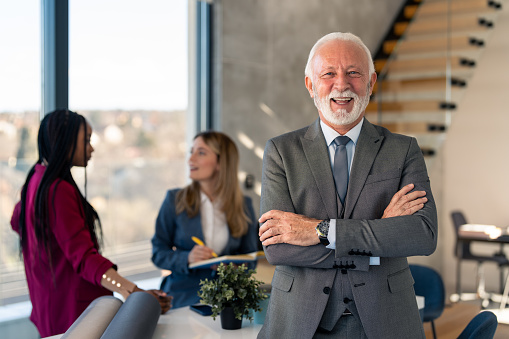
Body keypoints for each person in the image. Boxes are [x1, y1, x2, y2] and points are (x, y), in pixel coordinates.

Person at [257, 32, 438, 338]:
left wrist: (319, 231)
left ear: (370, 82)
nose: (341, 84)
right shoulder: (280, 151)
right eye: (328, 73)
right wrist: (380, 234)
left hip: (386, 321)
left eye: (354, 73)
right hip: (300, 323)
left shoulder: (403, 149)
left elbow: (422, 235)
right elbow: (278, 250)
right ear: (310, 85)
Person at [10, 109, 171, 338]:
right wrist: (135, 294)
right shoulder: (58, 189)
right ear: (64, 142)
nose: (91, 148)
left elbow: (17, 222)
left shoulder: (36, 178)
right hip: (74, 312)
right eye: (85, 141)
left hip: (47, 304)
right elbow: (85, 258)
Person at [151, 131, 259, 309]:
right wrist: (187, 258)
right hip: (182, 298)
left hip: (226, 301)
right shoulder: (174, 200)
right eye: (191, 151)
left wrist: (235, 268)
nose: (190, 159)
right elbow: (158, 253)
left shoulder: (244, 205)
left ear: (221, 162)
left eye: (201, 153)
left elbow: (250, 258)